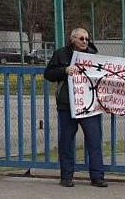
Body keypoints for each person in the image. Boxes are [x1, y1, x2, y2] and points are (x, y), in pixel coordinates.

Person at [44, 28, 106, 188]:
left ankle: (97, 177)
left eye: (86, 38)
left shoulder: (93, 56)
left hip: (89, 105)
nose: (85, 41)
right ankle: (66, 176)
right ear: (73, 39)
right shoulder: (61, 54)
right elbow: (48, 74)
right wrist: (64, 70)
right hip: (67, 105)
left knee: (94, 141)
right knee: (66, 142)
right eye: (81, 38)